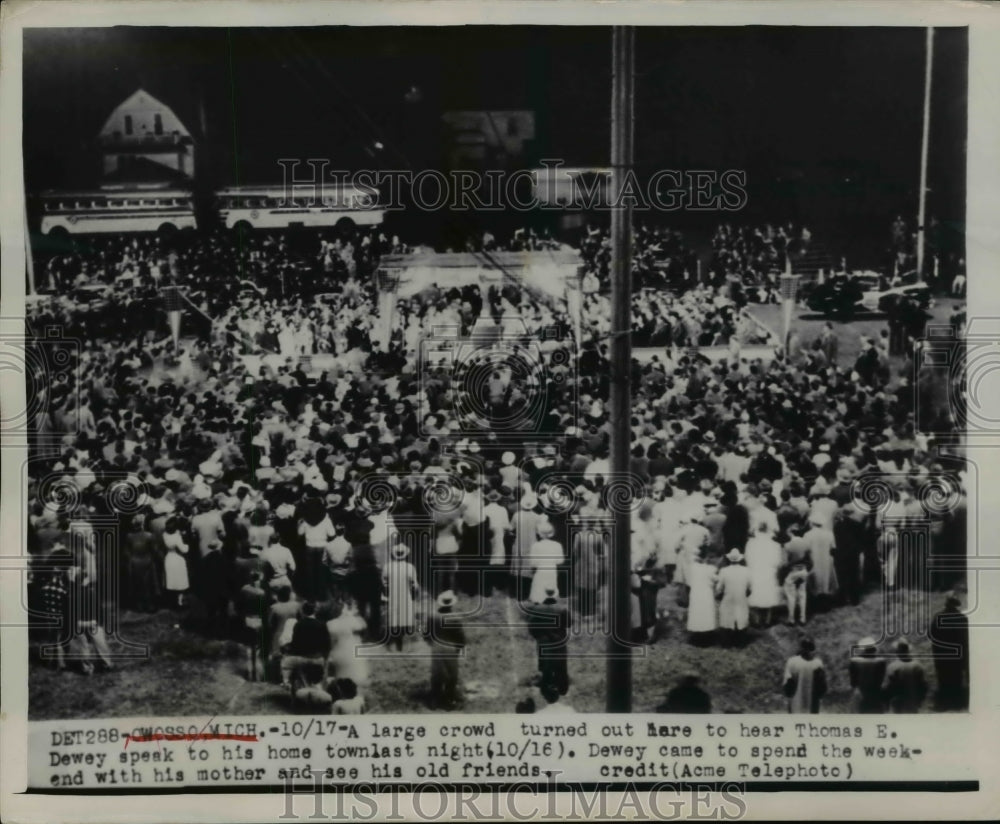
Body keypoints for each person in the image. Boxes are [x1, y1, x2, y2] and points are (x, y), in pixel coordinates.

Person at [424, 590, 466, 710]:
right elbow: (460, 637)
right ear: (451, 604)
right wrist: (460, 648)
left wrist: (431, 643)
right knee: (452, 674)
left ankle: (435, 700)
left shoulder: (432, 616)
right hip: (450, 648)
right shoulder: (455, 618)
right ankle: (449, 699)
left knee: (436, 674)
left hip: (436, 647)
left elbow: (426, 634)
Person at [929, 593, 969, 711]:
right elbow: (965, 638)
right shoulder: (962, 618)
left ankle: (944, 701)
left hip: (942, 655)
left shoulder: (938, 617)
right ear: (956, 605)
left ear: (946, 604)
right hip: (957, 656)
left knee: (943, 677)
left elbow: (931, 635)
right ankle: (957, 702)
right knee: (956, 677)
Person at [528, 588, 570, 696]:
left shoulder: (537, 609)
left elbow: (532, 627)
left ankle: (546, 686)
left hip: (544, 642)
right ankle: (562, 687)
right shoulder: (562, 609)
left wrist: (540, 636)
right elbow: (569, 623)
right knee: (561, 665)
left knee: (545, 665)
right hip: (559, 641)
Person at [280, 601, 331, 688]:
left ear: (303, 611)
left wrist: (288, 648)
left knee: (285, 663)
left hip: (302, 658)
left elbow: (295, 644)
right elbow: (327, 644)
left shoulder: (299, 624)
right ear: (314, 611)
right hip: (318, 658)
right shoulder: (322, 624)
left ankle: (286, 682)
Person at [383, 540, 419, 651]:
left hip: (393, 596)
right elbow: (415, 585)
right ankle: (405, 647)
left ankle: (396, 646)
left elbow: (384, 583)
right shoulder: (410, 567)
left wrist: (387, 590)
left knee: (395, 619)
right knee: (405, 620)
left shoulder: (388, 567)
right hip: (406, 596)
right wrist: (414, 592)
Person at [715, 548, 751, 646]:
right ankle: (740, 641)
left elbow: (719, 587)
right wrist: (746, 593)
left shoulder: (724, 571)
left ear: (729, 559)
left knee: (727, 615)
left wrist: (718, 594)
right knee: (741, 614)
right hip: (741, 596)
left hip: (729, 596)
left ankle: (727, 641)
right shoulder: (746, 571)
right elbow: (750, 586)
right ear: (740, 559)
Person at [783, 637, 827, 714]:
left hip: (796, 704)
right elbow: (822, 688)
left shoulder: (792, 661)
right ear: (813, 648)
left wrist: (788, 699)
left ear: (801, 648)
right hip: (812, 705)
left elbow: (787, 685)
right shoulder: (818, 663)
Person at [882, 639, 928, 713]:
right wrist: (919, 701)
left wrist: (886, 703)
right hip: (913, 704)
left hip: (897, 706)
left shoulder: (892, 667)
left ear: (896, 652)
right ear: (908, 650)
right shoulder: (918, 666)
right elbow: (924, 687)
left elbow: (887, 688)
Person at [780, 524, 812, 626]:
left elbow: (784, 563)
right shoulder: (806, 544)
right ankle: (803, 618)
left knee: (790, 595)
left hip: (793, 571)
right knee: (803, 594)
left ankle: (791, 619)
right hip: (803, 570)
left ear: (792, 533)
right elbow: (810, 560)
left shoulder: (787, 545)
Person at [686, 548, 718, 645]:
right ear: (707, 558)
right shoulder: (710, 569)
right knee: (706, 613)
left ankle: (697, 636)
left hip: (696, 593)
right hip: (706, 593)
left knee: (697, 612)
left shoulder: (693, 568)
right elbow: (716, 579)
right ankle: (706, 636)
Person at [528, 519, 564, 604]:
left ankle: (539, 600)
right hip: (552, 571)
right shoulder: (557, 545)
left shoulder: (536, 545)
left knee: (538, 588)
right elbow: (560, 561)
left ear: (539, 533)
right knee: (551, 586)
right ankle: (551, 598)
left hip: (541, 571)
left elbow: (533, 563)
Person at [848, 637, 887, 713]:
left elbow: (853, 682)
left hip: (860, 694)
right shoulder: (881, 662)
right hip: (876, 695)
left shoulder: (854, 661)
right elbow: (881, 679)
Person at [162, 516, 190, 608]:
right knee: (180, 581)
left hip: (169, 558)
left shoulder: (164, 535)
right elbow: (184, 550)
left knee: (171, 580)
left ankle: (171, 600)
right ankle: (180, 601)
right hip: (178, 559)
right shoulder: (177, 537)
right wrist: (187, 545)